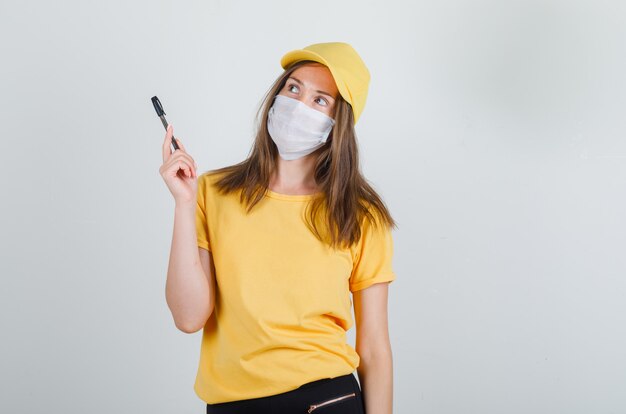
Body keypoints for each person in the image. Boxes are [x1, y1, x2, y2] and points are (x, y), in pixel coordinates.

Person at [159, 41, 397, 414]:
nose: (299, 105)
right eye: (294, 88)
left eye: (321, 100)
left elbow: (373, 348)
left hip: (326, 399)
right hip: (231, 404)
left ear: (339, 124)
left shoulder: (360, 215)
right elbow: (189, 318)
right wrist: (184, 204)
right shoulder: (211, 193)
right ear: (277, 93)